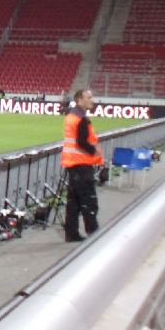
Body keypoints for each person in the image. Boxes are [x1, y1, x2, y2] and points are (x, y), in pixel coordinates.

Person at [62, 88, 104, 243]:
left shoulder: (72, 116)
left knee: (74, 202)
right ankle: (93, 233)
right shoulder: (81, 119)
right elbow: (82, 143)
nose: (92, 100)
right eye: (89, 97)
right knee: (89, 201)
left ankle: (71, 233)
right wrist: (95, 151)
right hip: (82, 164)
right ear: (80, 100)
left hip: (72, 163)